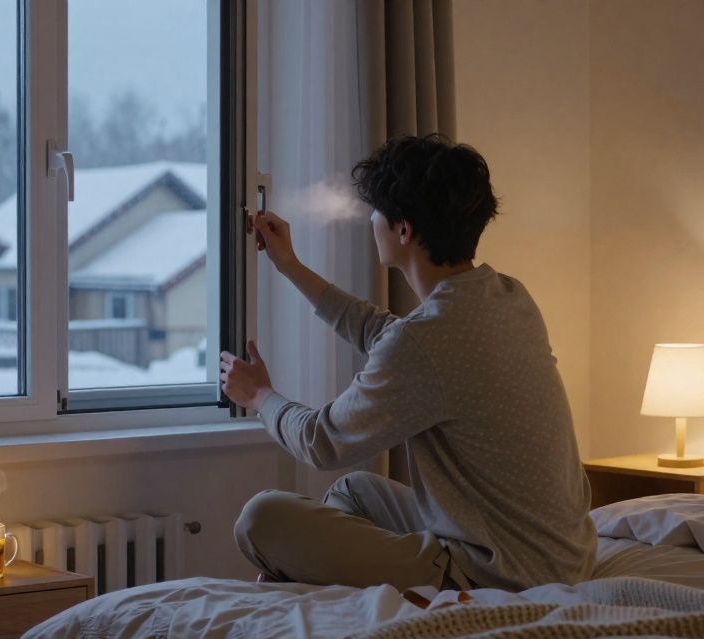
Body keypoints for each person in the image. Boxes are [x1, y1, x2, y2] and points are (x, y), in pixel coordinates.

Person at [219, 134, 595, 592]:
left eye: (377, 211)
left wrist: (259, 397)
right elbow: (386, 333)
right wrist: (290, 266)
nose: (371, 220)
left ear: (404, 230)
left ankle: (337, 580)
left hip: (500, 573)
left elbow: (323, 443)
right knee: (354, 491)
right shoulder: (508, 297)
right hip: (557, 554)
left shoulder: (426, 342)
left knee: (261, 519)